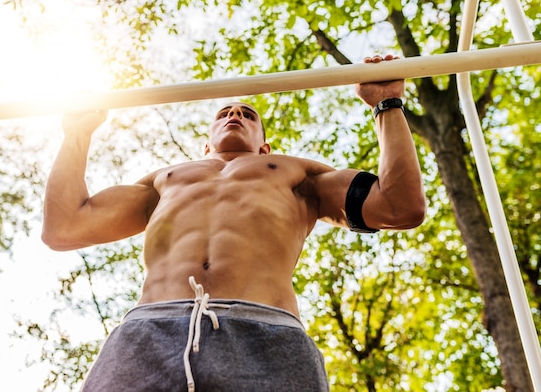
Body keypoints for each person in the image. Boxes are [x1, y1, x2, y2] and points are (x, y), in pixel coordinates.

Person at [41, 54, 426, 392]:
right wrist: (77, 132)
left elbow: (399, 206)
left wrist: (387, 105)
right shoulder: (166, 179)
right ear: (205, 145)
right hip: (150, 331)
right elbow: (64, 226)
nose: (235, 114)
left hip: (266, 332)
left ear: (265, 147)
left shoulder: (296, 173)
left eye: (247, 113)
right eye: (224, 113)